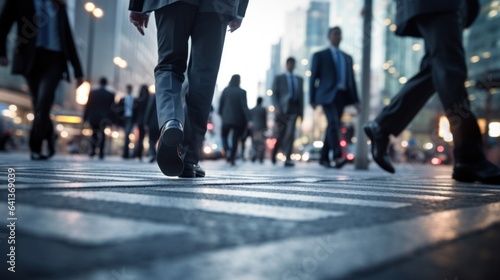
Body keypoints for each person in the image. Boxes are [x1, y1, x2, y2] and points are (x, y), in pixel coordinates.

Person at [364, 0, 500, 184]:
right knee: (451, 70)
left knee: (436, 69)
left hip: (443, 6)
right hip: (438, 4)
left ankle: (383, 125)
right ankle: (469, 157)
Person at [129, 0, 249, 177]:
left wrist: (137, 6)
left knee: (169, 65)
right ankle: (188, 157)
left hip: (173, 3)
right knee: (204, 76)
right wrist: (239, 11)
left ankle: (171, 120)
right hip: (218, 5)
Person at [0, 0, 83, 160]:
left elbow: (68, 38)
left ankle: (35, 147)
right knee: (39, 104)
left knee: (44, 101)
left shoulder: (59, 5)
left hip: (55, 60)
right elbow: (3, 24)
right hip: (31, 58)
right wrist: (2, 52)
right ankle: (50, 135)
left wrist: (79, 73)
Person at [310, 27, 359, 169]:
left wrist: (356, 101)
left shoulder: (347, 57)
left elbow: (352, 81)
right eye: (335, 34)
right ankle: (337, 156)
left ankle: (323, 158)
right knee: (334, 123)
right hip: (326, 95)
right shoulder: (320, 55)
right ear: (329, 36)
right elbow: (313, 78)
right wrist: (312, 99)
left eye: (340, 34)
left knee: (332, 124)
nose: (338, 36)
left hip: (342, 96)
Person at [271, 57, 304, 167]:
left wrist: (301, 113)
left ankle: (288, 158)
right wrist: (276, 107)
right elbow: (274, 93)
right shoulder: (279, 78)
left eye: (293, 64)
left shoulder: (299, 79)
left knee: (291, 134)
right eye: (289, 64)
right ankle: (274, 153)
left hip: (294, 109)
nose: (291, 66)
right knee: (281, 134)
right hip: (282, 110)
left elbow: (301, 97)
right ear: (286, 64)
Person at [218, 74, 251, 166]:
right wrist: (248, 120)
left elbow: (221, 103)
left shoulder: (226, 90)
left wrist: (221, 114)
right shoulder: (242, 92)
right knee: (235, 139)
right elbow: (244, 107)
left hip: (226, 118)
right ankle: (232, 157)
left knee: (224, 136)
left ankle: (227, 149)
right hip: (237, 119)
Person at [83, 77, 115, 159]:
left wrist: (85, 117)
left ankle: (93, 151)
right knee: (102, 134)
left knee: (94, 133)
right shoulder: (110, 94)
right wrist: (112, 120)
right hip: (104, 117)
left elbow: (88, 106)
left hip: (94, 117)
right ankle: (101, 152)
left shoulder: (93, 93)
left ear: (99, 82)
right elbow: (112, 108)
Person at [132, 85, 150, 161]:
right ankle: (140, 153)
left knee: (139, 138)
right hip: (146, 121)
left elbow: (134, 112)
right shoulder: (148, 100)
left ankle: (138, 153)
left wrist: (134, 121)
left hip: (139, 121)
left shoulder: (137, 100)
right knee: (143, 137)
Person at [250, 97, 267, 163]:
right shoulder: (263, 109)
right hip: (261, 128)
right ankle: (260, 157)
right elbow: (265, 119)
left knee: (254, 143)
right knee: (261, 143)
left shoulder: (252, 110)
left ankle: (254, 154)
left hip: (254, 129)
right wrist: (266, 128)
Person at [120, 84, 135, 159]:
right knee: (126, 135)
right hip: (125, 118)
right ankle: (126, 153)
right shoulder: (124, 98)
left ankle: (126, 153)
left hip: (130, 118)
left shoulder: (133, 98)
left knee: (127, 134)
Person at [144, 90, 159, 163]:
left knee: (152, 140)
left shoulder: (153, 96)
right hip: (162, 122)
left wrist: (146, 122)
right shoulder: (168, 95)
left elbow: (149, 109)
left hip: (153, 122)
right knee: (158, 140)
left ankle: (153, 154)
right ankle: (155, 154)